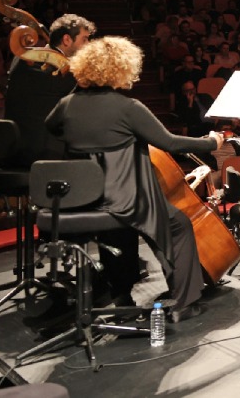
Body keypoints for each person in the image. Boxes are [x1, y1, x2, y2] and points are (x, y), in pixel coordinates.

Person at [45, 37, 224, 320]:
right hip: (127, 198)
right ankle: (184, 303)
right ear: (121, 69)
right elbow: (170, 142)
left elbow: (50, 127)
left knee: (117, 233)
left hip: (87, 200)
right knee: (177, 225)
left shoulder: (66, 105)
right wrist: (212, 143)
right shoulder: (128, 107)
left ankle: (123, 301)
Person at [3, 13, 95, 167]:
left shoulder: (24, 59)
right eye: (84, 39)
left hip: (20, 147)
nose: (88, 45)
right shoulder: (45, 69)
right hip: (43, 152)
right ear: (67, 39)